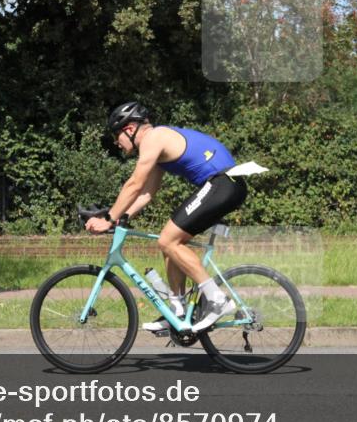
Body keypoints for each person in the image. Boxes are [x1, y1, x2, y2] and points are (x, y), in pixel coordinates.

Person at [84, 101, 248, 332]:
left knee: (168, 240)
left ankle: (217, 300)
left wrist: (109, 218)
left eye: (116, 137)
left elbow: (134, 184)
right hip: (223, 186)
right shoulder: (158, 148)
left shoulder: (154, 138)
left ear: (129, 129)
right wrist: (124, 216)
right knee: (170, 243)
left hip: (222, 183)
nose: (117, 144)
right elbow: (146, 193)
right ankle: (177, 310)